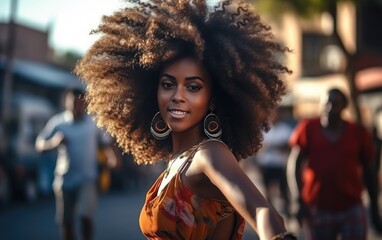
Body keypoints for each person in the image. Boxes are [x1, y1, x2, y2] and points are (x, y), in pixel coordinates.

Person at [74, 0, 296, 239]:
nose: (178, 96)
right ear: (153, 92)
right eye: (168, 84)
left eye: (193, 87)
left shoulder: (209, 154)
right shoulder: (178, 160)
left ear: (212, 99)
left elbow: (263, 211)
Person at [287, 88, 382, 240]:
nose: (330, 108)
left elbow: (370, 172)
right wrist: (298, 200)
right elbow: (294, 164)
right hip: (318, 207)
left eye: (335, 104)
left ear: (344, 107)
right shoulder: (308, 129)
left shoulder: (358, 133)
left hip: (352, 206)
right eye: (327, 103)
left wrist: (375, 210)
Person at [35, 88, 117, 240]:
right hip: (64, 179)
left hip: (87, 179)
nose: (76, 106)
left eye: (80, 102)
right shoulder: (58, 123)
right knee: (66, 222)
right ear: (66, 102)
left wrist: (112, 158)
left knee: (85, 216)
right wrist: (53, 143)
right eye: (73, 102)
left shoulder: (93, 124)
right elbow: (39, 145)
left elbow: (105, 144)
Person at [256, 108, 293, 218]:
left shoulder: (285, 129)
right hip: (266, 164)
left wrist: (275, 146)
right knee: (267, 190)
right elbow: (258, 146)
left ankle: (287, 211)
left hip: (280, 165)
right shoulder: (264, 130)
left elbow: (289, 146)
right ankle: (269, 211)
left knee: (283, 189)